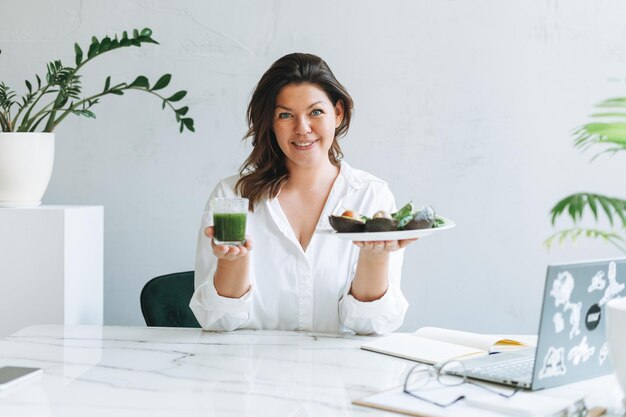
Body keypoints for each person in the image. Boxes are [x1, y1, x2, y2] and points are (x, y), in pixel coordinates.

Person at [190, 53, 416, 334]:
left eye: (316, 112)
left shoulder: (371, 197)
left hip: (342, 374)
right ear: (270, 123)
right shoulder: (232, 196)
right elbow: (217, 321)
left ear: (338, 113)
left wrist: (375, 258)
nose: (302, 128)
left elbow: (370, 326)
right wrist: (232, 262)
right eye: (285, 115)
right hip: (250, 371)